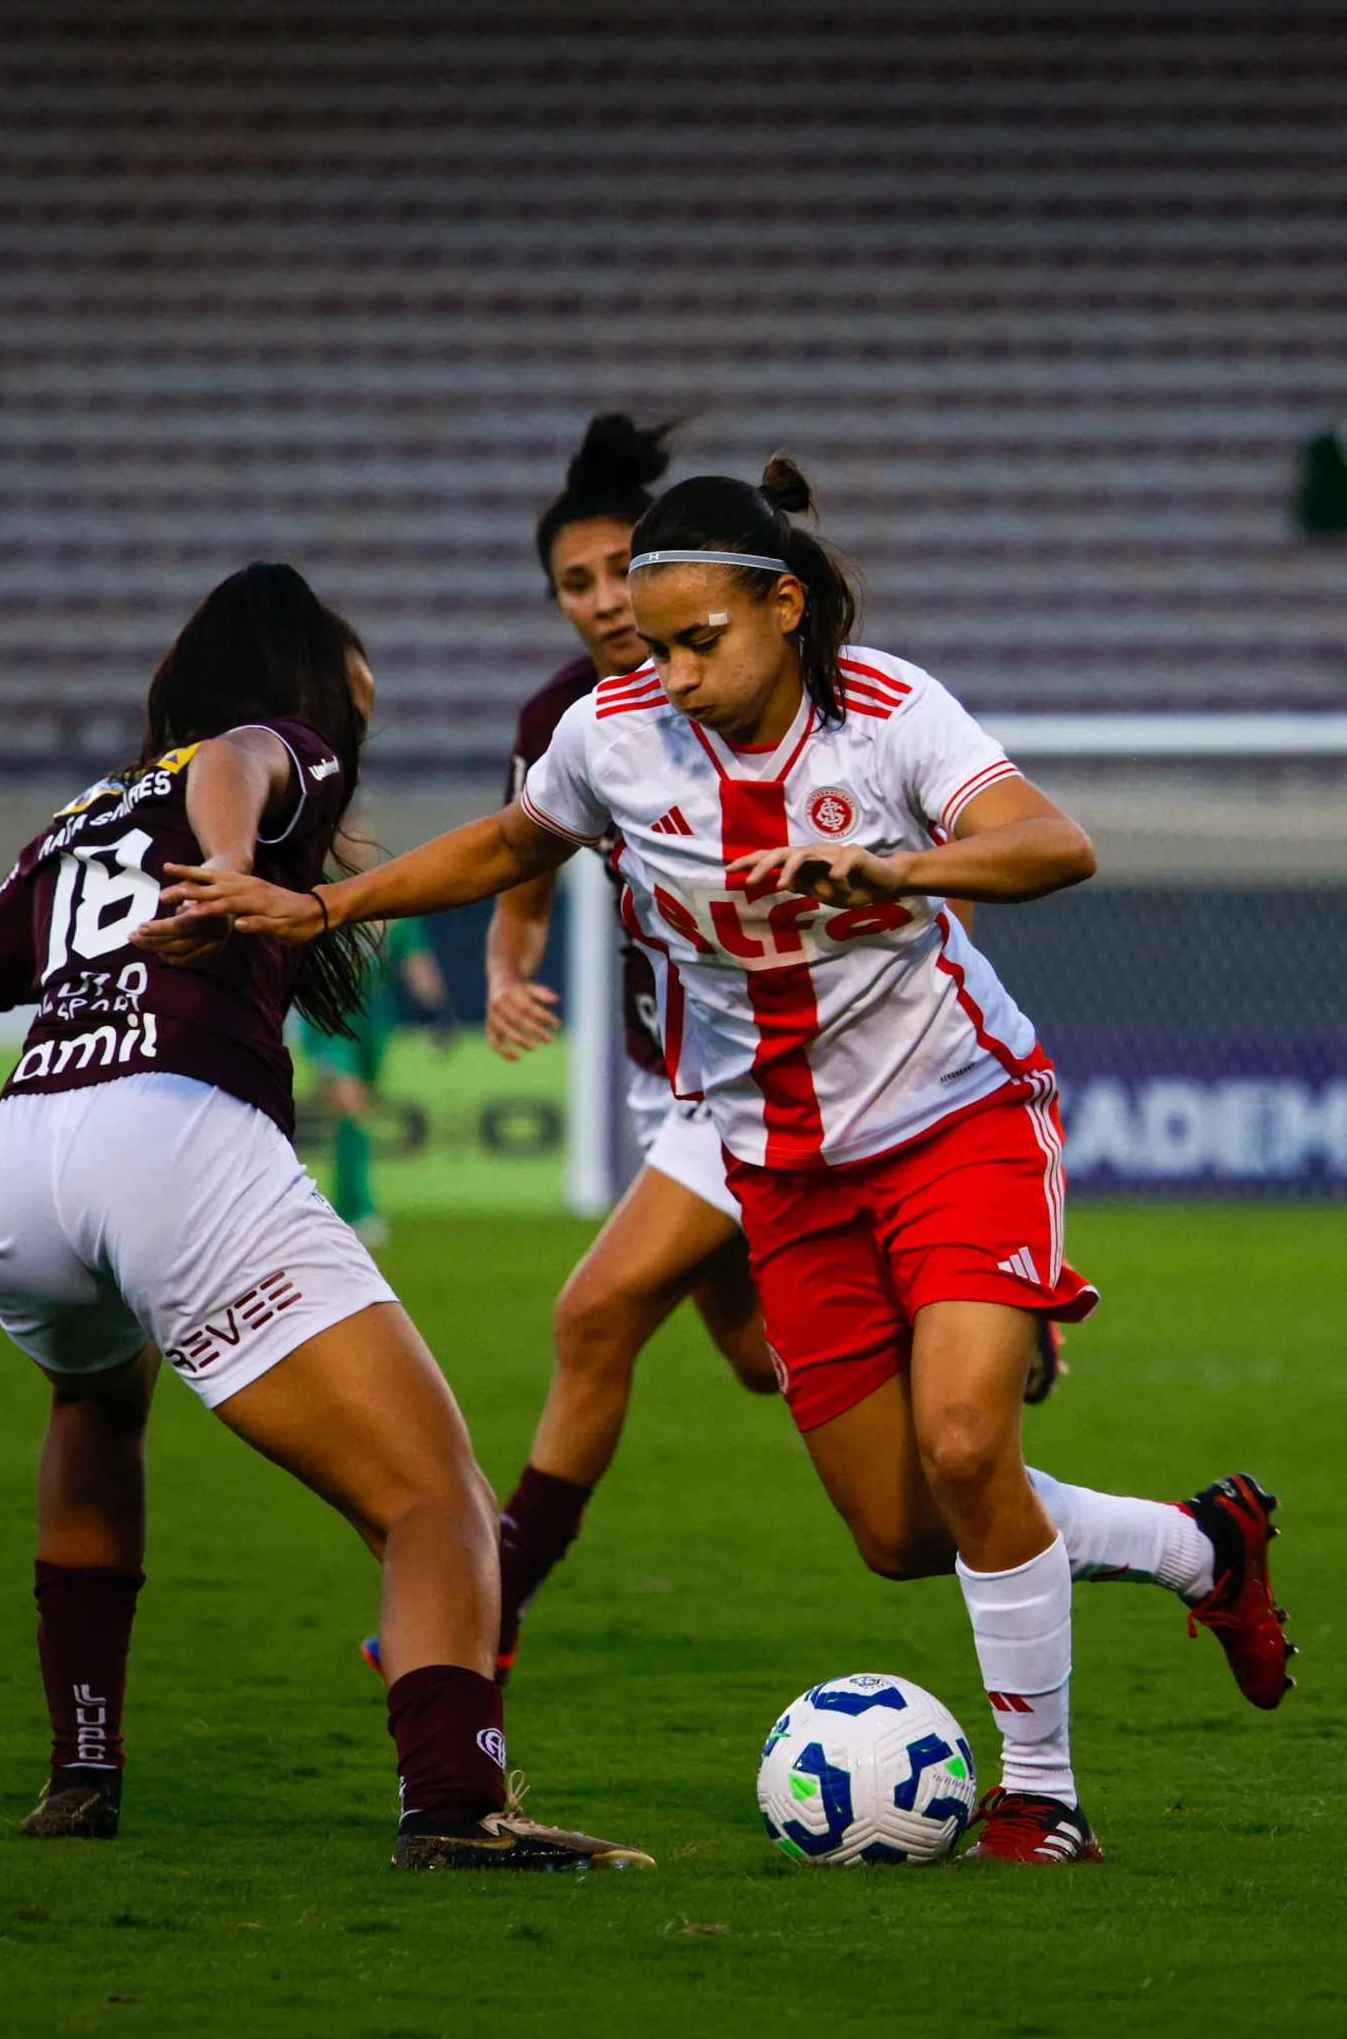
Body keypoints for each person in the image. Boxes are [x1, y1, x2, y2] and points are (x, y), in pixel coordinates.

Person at [155, 476, 1296, 1867]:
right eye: (650, 641)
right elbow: (517, 840)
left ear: (783, 604)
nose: (670, 672)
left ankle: (1042, 1798)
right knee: (900, 1527)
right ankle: (1203, 1549)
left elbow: (1056, 843)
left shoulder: (887, 712)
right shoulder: (612, 735)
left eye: (699, 640)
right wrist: (321, 902)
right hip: (776, 1164)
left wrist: (898, 870)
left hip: (957, 1118)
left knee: (962, 1439)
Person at [0, 562, 652, 1876]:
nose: (362, 704)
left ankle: (83, 1767)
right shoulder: (276, 754)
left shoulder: (74, 828)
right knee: (436, 1498)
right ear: (308, 677)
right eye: (353, 675)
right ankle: (456, 1806)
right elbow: (236, 757)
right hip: (167, 1134)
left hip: (22, 1163)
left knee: (98, 1406)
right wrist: (227, 862)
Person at [481, 414, 778, 1682]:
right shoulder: (567, 719)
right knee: (766, 1364)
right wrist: (505, 972)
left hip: (766, 1067)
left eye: (621, 573)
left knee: (591, 1318)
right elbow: (522, 873)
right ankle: (980, 1315)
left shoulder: (753, 675)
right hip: (671, 1076)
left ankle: (478, 1609)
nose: (604, 602)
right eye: (576, 584)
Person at [298, 915, 449, 1248]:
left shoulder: (396, 915)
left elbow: (418, 964)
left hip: (373, 1028)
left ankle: (341, 1207)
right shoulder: (318, 902)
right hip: (326, 1024)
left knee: (356, 1117)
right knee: (349, 1105)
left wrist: (436, 1013)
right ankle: (360, 1211)